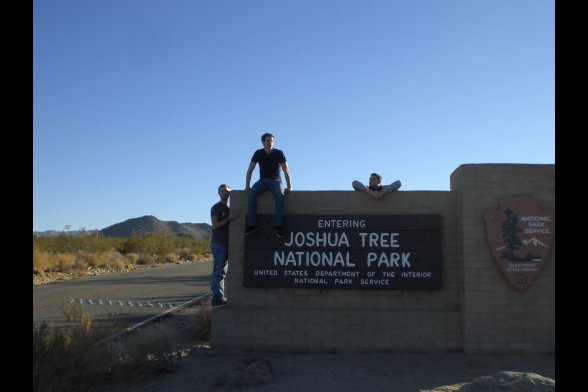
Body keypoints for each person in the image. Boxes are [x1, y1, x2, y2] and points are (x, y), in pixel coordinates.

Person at [244, 132, 292, 238]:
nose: (270, 143)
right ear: (263, 142)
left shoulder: (279, 153)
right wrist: (247, 186)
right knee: (251, 194)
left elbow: (286, 170)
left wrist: (289, 186)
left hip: (276, 181)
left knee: (280, 196)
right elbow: (250, 170)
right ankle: (252, 225)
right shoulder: (258, 153)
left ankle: (279, 227)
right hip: (263, 180)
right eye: (267, 141)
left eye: (272, 141)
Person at [210, 183, 240, 308]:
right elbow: (215, 225)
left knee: (222, 272)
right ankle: (216, 299)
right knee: (218, 272)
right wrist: (230, 219)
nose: (225, 193)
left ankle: (220, 297)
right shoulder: (216, 208)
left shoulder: (229, 209)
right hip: (219, 244)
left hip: (227, 244)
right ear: (219, 193)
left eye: (227, 191)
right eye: (222, 191)